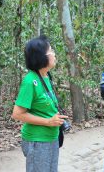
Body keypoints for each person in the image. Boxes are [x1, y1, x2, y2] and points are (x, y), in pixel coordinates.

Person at [12, 35, 68, 172]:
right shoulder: (30, 81)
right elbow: (17, 114)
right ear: (41, 57)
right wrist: (48, 121)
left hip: (52, 138)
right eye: (51, 51)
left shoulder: (45, 76)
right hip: (37, 140)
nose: (54, 54)